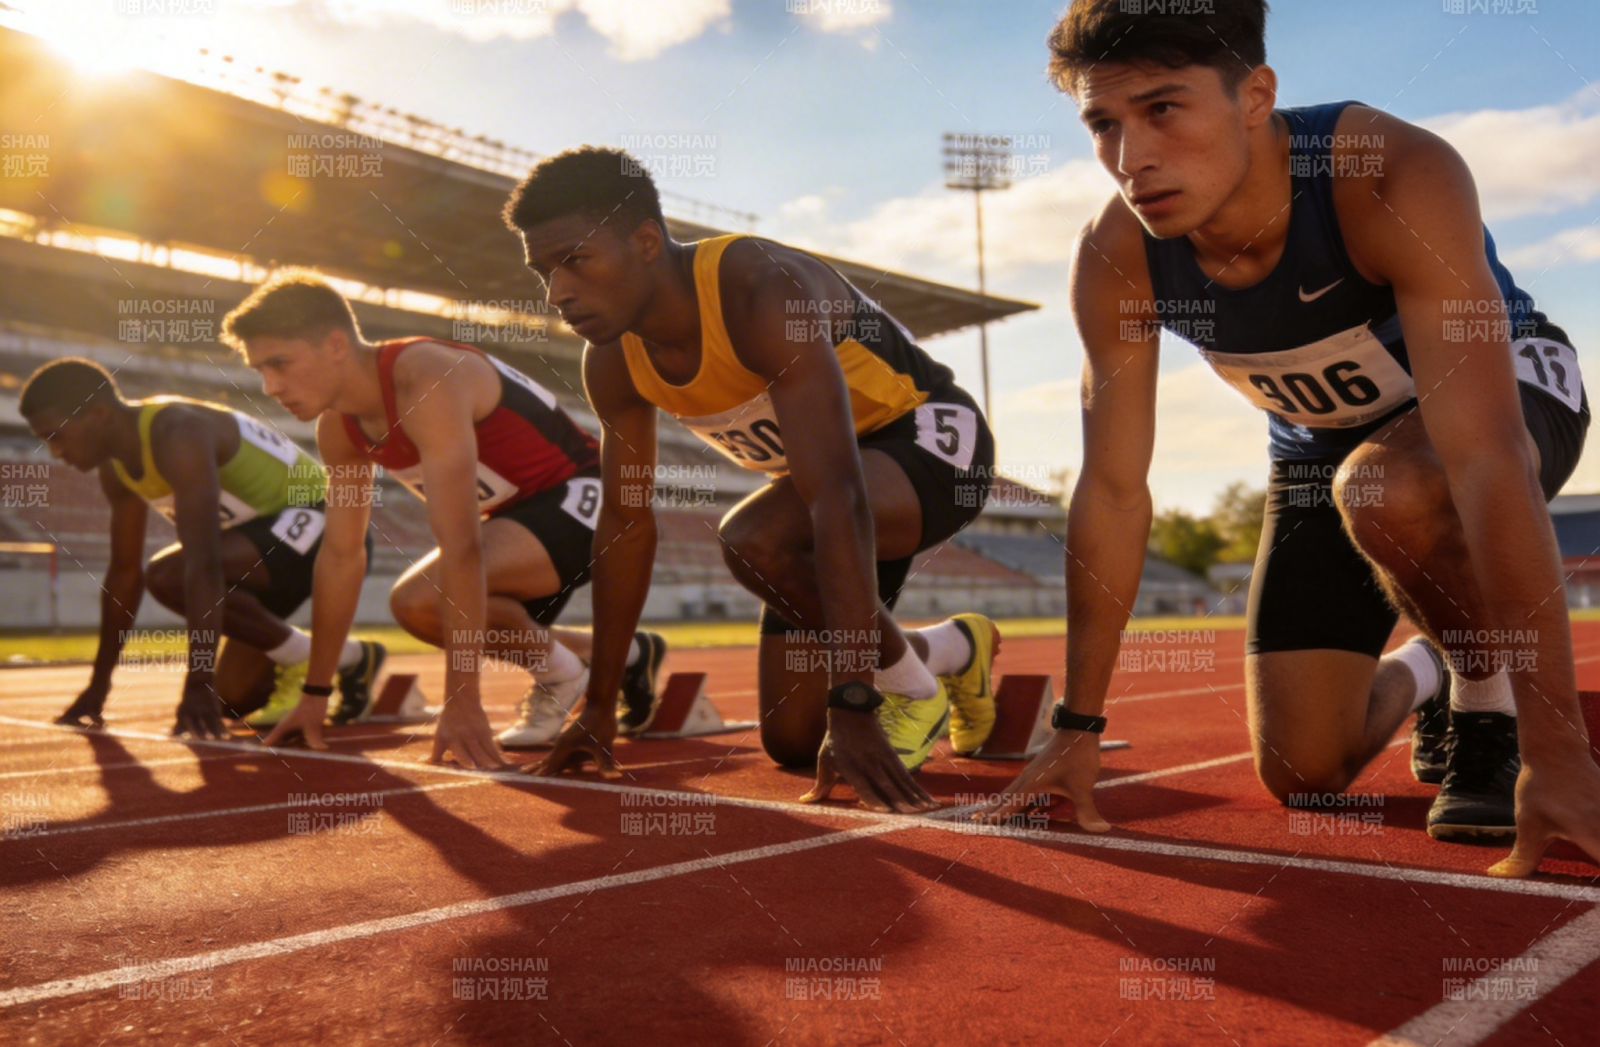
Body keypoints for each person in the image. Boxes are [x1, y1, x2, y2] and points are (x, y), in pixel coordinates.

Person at [996, 0, 1596, 877]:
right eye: (1102, 125)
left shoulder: (1383, 173)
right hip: (1324, 455)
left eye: (1162, 109)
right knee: (1304, 769)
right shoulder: (1116, 255)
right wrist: (1077, 725)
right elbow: (1113, 490)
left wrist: (1560, 753)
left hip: (1507, 387)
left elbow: (1486, 462)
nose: (1131, 158)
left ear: (1254, 95)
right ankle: (1436, 661)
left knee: (1390, 486)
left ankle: (1486, 697)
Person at [502, 147, 1003, 812]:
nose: (557, 292)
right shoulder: (613, 362)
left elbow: (839, 496)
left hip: (930, 447)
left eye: (575, 260)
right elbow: (626, 522)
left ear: (646, 241)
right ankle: (950, 650)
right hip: (820, 501)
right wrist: (596, 706)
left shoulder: (760, 290)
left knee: (753, 537)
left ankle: (914, 690)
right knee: (794, 743)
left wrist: (855, 700)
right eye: (543, 271)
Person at [219, 271, 665, 767]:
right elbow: (341, 556)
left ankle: (563, 674)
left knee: (428, 596)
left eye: (280, 363)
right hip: (514, 516)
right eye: (260, 369)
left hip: (591, 496)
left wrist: (462, 701)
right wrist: (315, 694)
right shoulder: (338, 429)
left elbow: (462, 548)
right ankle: (620, 656)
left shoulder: (424, 378)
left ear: (336, 345)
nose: (270, 386)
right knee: (416, 608)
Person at [20, 357, 382, 738]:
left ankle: (300, 661)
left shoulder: (178, 432)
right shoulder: (116, 468)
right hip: (258, 556)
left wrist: (197, 683)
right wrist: (98, 688)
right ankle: (356, 657)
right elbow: (124, 575)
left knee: (168, 574)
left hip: (330, 528)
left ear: (97, 414)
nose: (55, 452)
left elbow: (202, 564)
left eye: (55, 436)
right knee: (232, 699)